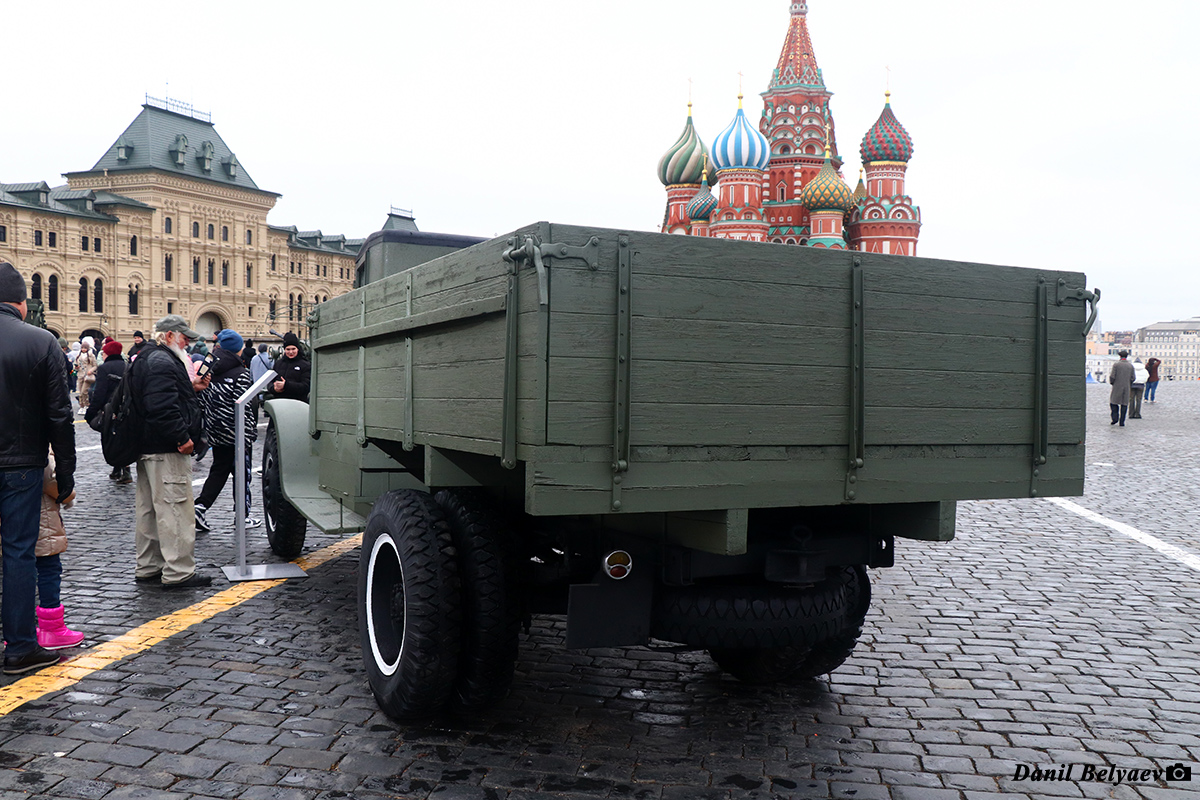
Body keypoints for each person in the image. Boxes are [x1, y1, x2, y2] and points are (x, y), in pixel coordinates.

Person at [0, 261, 76, 674]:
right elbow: (60, 417)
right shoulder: (41, 341)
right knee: (18, 554)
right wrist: (65, 474)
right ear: (21, 303)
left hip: (19, 463)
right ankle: (20, 647)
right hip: (22, 465)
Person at [128, 314, 213, 588]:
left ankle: (149, 566)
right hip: (166, 449)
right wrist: (181, 437)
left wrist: (191, 387)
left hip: (148, 447)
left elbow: (159, 395)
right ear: (168, 336)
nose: (187, 343)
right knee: (175, 510)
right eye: (183, 338)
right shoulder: (163, 361)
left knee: (150, 511)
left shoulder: (149, 357)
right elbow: (162, 406)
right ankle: (178, 571)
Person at [195, 329, 260, 531]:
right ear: (239, 349)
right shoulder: (241, 372)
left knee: (219, 470)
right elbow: (245, 405)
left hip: (216, 429)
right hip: (237, 432)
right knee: (242, 474)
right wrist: (250, 432)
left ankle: (200, 507)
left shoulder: (209, 370)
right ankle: (243, 516)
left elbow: (202, 400)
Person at [35, 450, 85, 649]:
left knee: (18, 568)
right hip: (41, 518)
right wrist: (69, 495)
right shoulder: (35, 434)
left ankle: (19, 629)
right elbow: (52, 479)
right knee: (48, 568)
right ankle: (51, 629)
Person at [87, 340, 132, 483]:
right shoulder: (127, 366)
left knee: (111, 437)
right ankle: (118, 468)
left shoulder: (105, 368)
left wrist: (91, 412)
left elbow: (99, 393)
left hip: (110, 408)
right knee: (123, 437)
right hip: (126, 408)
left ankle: (125, 471)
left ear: (108, 353)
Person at [268, 332, 311, 403]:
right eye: (288, 349)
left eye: (293, 349)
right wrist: (274, 388)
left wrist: (286, 385)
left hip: (298, 403)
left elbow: (306, 387)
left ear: (298, 349)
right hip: (279, 402)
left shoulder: (305, 365)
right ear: (284, 350)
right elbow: (270, 382)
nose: (291, 352)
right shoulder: (278, 364)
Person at [1108, 350, 1135, 427]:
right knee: (1124, 404)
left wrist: (1112, 383)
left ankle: (1115, 418)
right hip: (1126, 387)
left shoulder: (1116, 365)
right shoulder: (1130, 366)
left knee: (1113, 403)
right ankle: (1122, 421)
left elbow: (1112, 376)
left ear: (1120, 356)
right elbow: (1133, 377)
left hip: (1117, 386)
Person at [74, 337, 98, 415]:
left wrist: (91, 370)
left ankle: (86, 405)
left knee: (84, 391)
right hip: (80, 375)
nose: (83, 349)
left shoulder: (91, 355)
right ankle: (82, 405)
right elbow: (75, 365)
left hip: (87, 376)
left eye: (85, 348)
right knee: (80, 392)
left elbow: (95, 365)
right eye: (82, 348)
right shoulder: (78, 355)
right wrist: (76, 367)